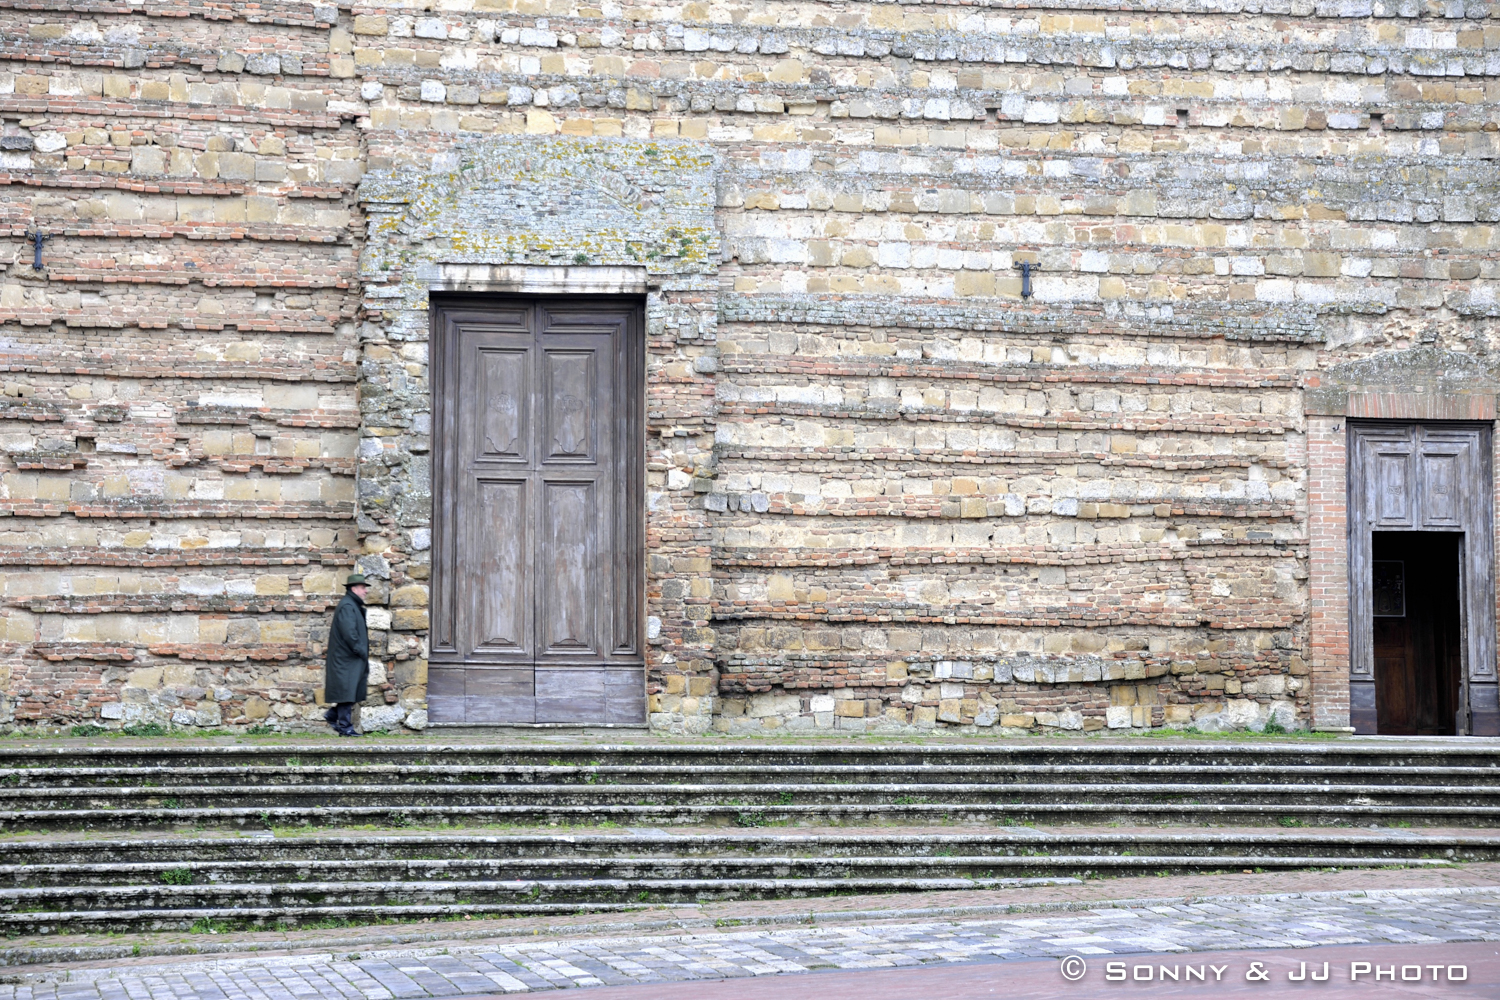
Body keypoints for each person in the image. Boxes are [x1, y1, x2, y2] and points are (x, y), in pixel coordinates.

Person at [323, 573, 369, 737]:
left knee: (351, 692)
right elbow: (350, 634)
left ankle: (333, 715)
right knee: (347, 692)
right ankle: (345, 727)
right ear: (354, 588)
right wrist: (360, 650)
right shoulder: (348, 606)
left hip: (350, 658)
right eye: (363, 588)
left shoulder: (352, 605)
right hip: (347, 658)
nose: (366, 591)